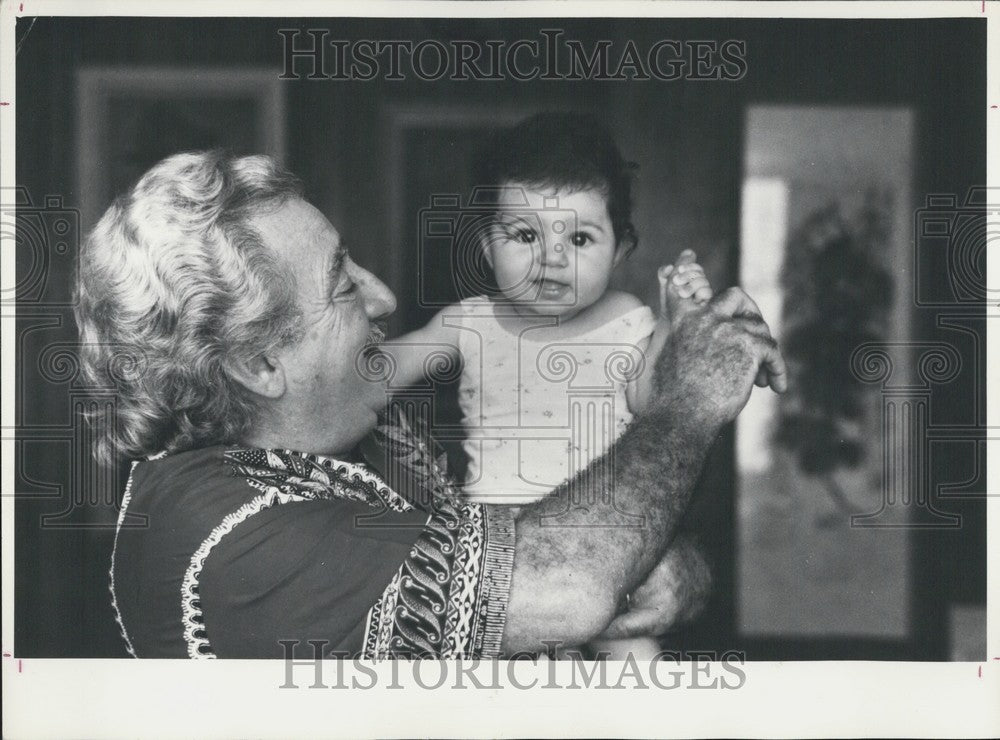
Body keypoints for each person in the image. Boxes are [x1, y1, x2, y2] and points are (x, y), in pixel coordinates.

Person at [75, 150, 786, 659]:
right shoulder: (227, 540)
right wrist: (689, 401)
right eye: (344, 284)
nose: (382, 295)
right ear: (260, 363)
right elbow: (567, 583)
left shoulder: (358, 429)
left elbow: (565, 533)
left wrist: (673, 569)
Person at [379, 113, 713, 660]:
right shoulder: (469, 323)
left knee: (637, 663)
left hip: (607, 541)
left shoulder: (627, 320)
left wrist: (675, 324)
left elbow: (657, 405)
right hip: (496, 547)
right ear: (487, 246)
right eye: (525, 235)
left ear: (620, 251)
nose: (552, 256)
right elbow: (380, 372)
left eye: (579, 238)